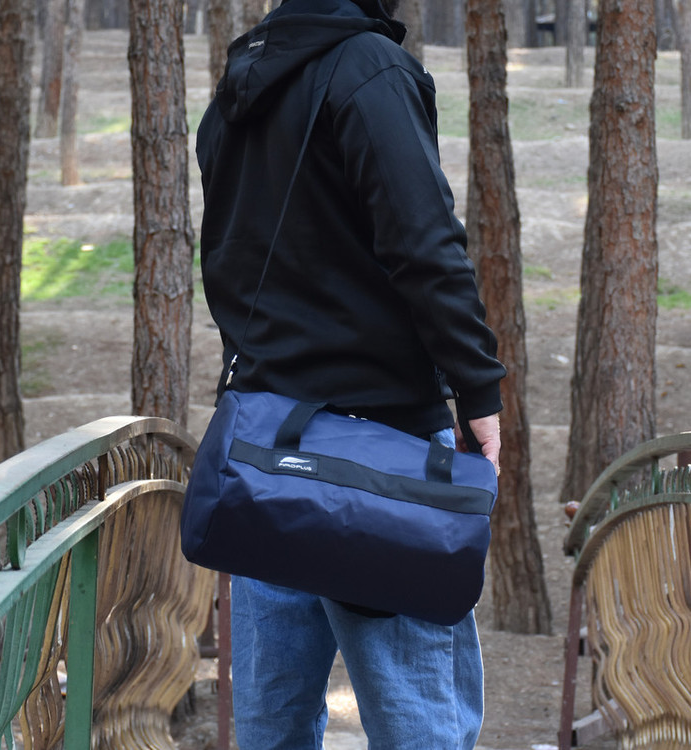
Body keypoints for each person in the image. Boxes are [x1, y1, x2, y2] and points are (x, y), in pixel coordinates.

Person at [195, 0, 506, 747]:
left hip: (264, 456)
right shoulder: (370, 69)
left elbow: (227, 259)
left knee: (271, 725)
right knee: (420, 723)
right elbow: (425, 244)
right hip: (379, 461)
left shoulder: (239, 86)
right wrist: (478, 387)